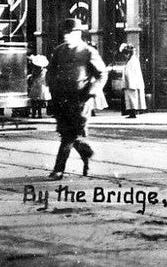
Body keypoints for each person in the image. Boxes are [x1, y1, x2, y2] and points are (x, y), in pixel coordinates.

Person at [47, 18, 105, 179]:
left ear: (78, 33)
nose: (66, 36)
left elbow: (102, 74)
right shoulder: (59, 51)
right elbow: (50, 72)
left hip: (80, 100)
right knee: (68, 134)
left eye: (70, 33)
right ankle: (86, 153)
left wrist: (91, 92)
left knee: (68, 135)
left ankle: (58, 169)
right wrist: (52, 88)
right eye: (64, 33)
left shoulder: (88, 52)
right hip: (61, 100)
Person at [117, 44, 146, 119]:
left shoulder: (132, 61)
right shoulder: (133, 60)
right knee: (132, 98)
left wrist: (128, 84)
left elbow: (128, 73)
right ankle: (132, 113)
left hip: (131, 84)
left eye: (126, 54)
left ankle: (132, 113)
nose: (125, 56)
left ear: (129, 54)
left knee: (131, 98)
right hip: (132, 83)